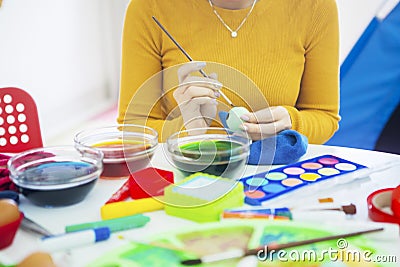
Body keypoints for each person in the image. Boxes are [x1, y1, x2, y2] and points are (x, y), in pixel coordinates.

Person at [117, 0, 340, 144]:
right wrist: (187, 130)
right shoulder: (150, 8)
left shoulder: (315, 7)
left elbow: (324, 116)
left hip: (276, 180)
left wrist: (291, 122)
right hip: (186, 179)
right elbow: (134, 129)